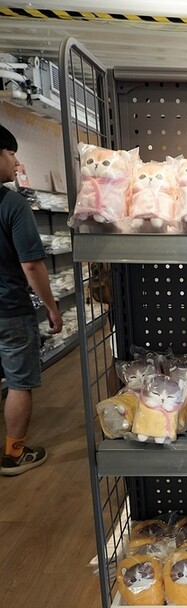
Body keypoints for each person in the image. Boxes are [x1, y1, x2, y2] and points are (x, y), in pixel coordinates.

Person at [0, 124, 63, 476]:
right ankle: (14, 453)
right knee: (18, 382)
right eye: (11, 154)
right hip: (9, 309)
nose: (16, 162)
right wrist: (52, 308)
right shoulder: (12, 204)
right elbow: (32, 264)